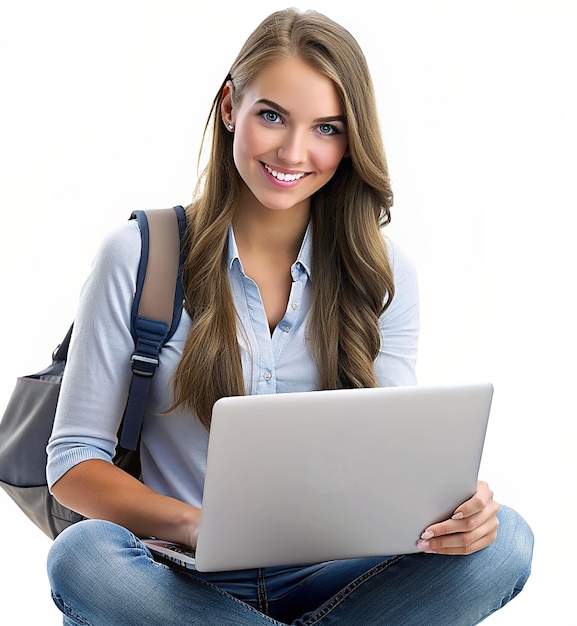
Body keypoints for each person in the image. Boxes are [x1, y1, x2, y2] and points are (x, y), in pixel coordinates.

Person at [46, 8, 533, 625]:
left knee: (506, 541)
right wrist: (196, 526)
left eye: (327, 128)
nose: (294, 152)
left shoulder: (381, 272)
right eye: (271, 116)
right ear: (229, 108)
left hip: (333, 573)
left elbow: (392, 458)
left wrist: (459, 512)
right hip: (178, 573)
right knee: (83, 557)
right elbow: (72, 462)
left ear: (352, 139)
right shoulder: (139, 254)